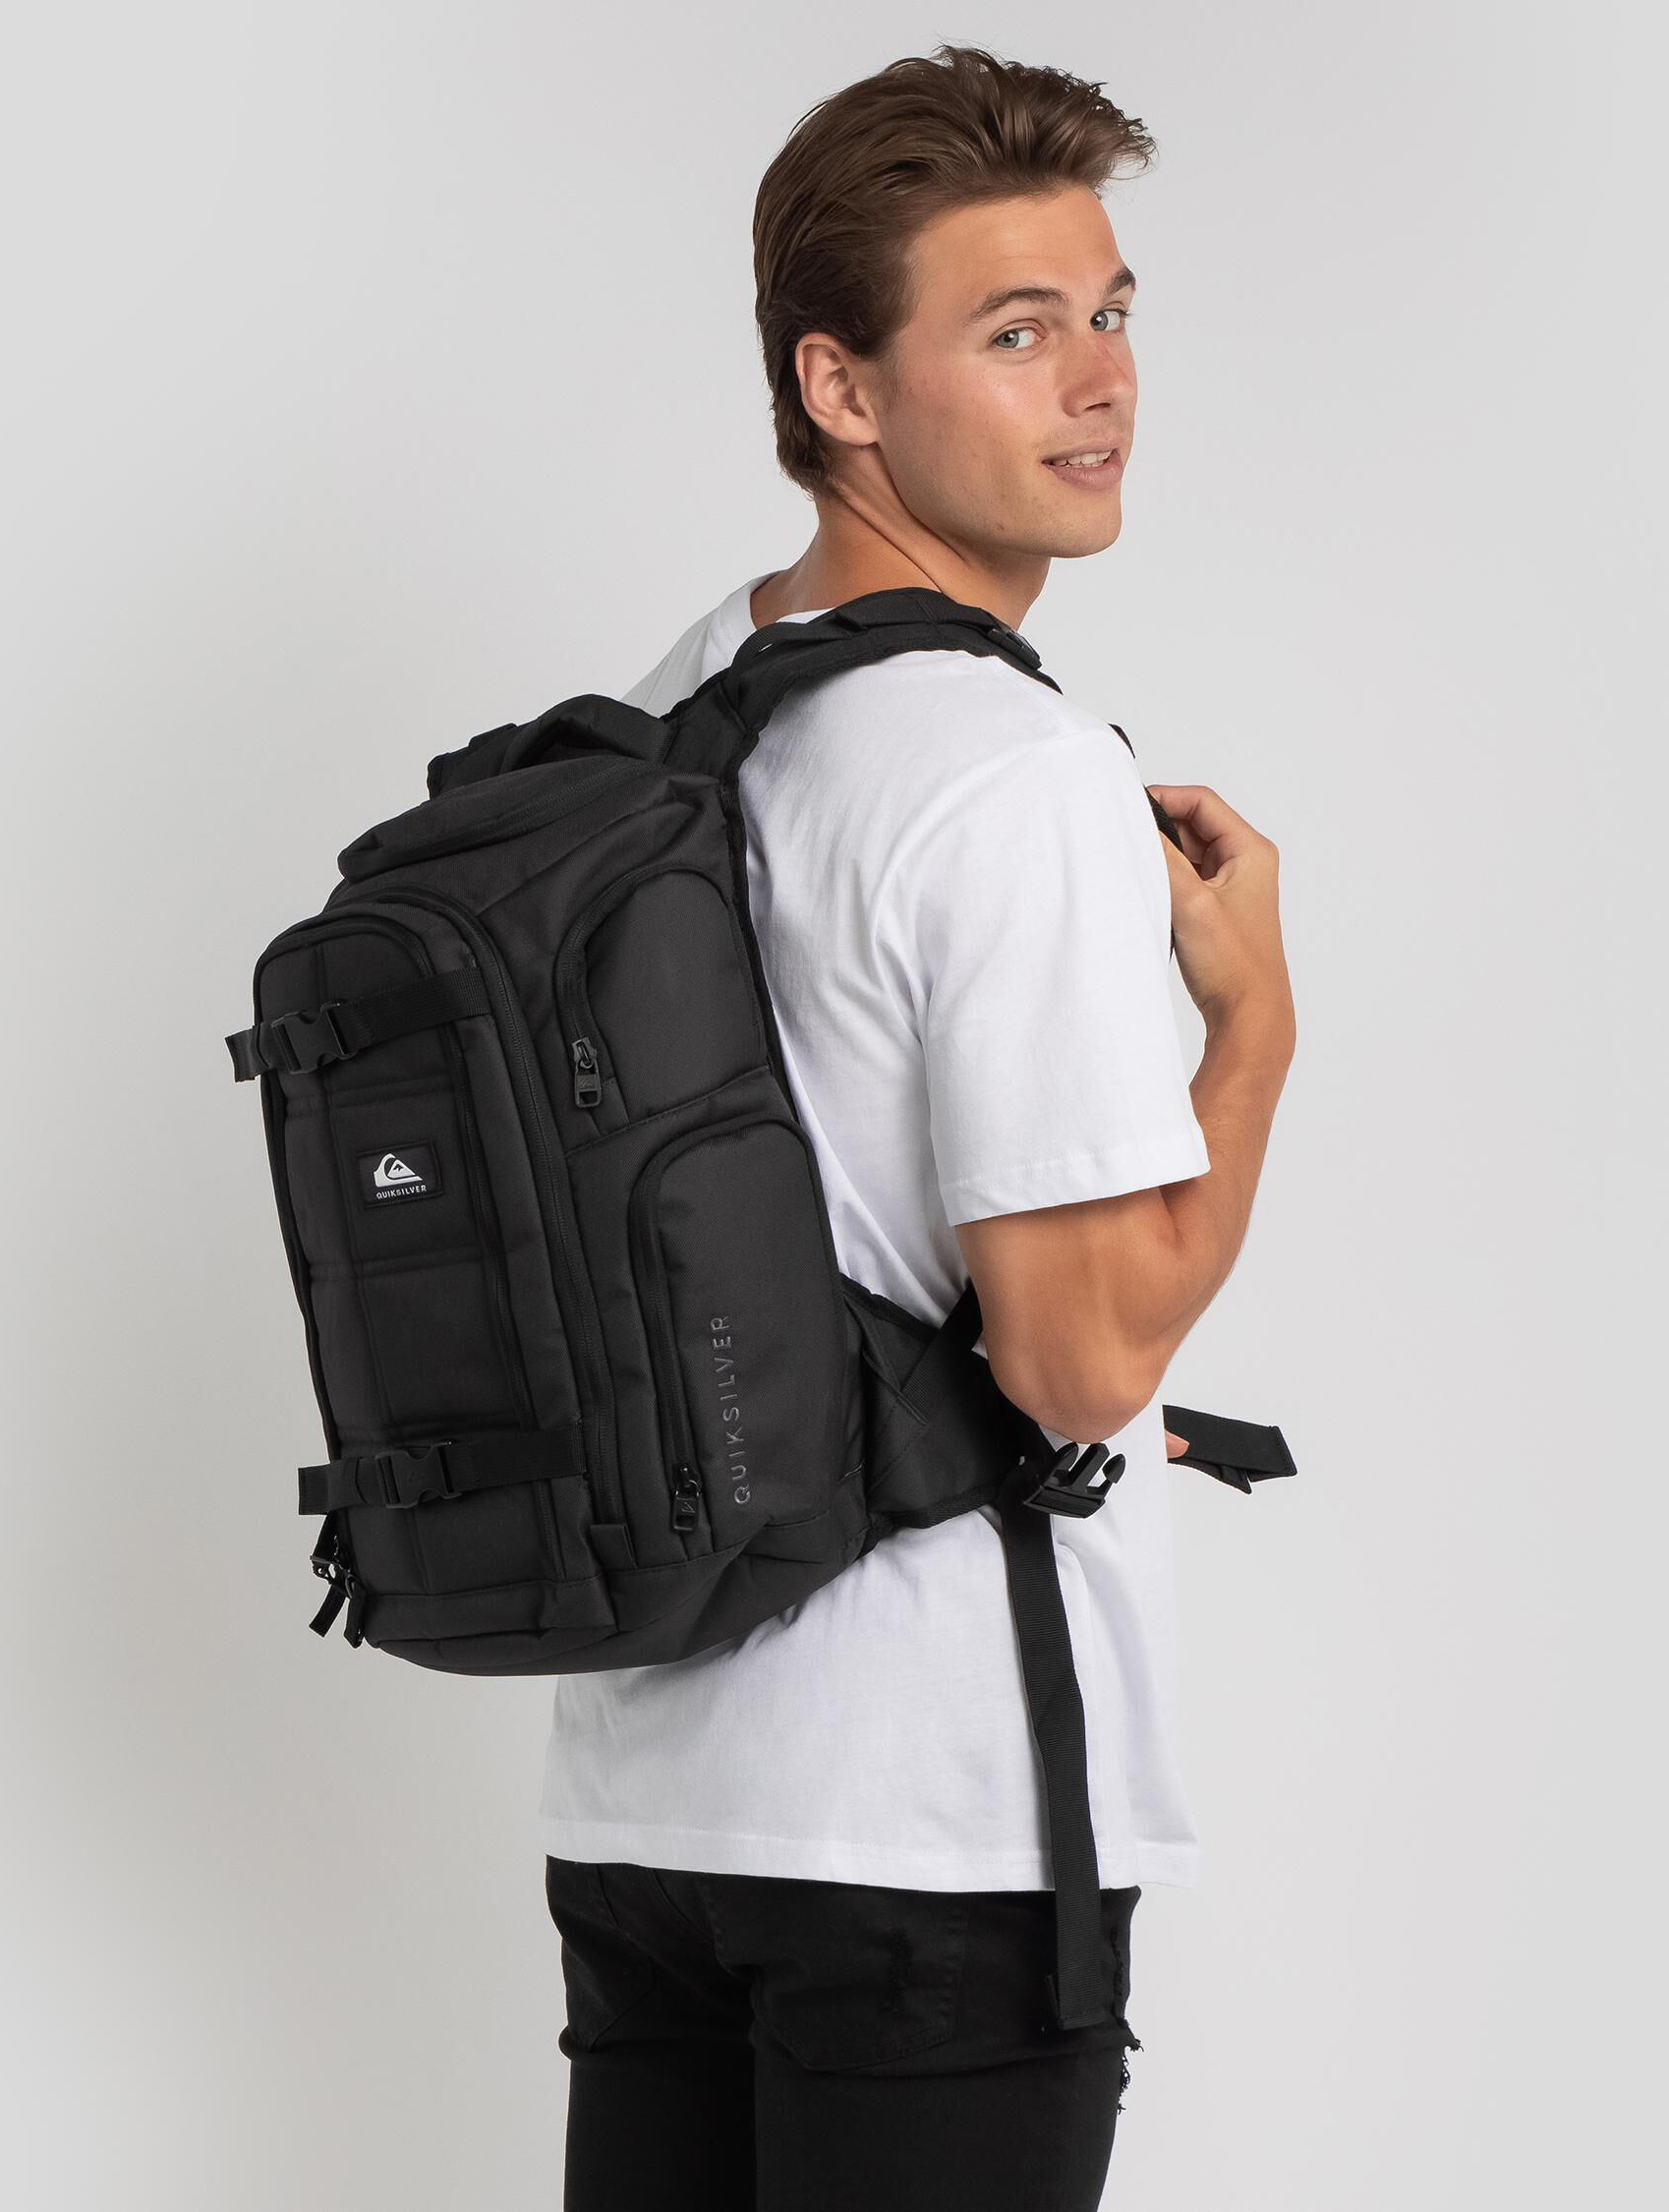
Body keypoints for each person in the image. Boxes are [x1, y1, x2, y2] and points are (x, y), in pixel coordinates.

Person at [538, 43, 1295, 2212]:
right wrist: (1255, 1026)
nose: (1102, 380)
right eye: (1017, 328)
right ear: (841, 386)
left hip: (649, 1802)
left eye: (1112, 312)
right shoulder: (1008, 770)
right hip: (930, 1825)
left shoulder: (680, 703)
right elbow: (1079, 1361)